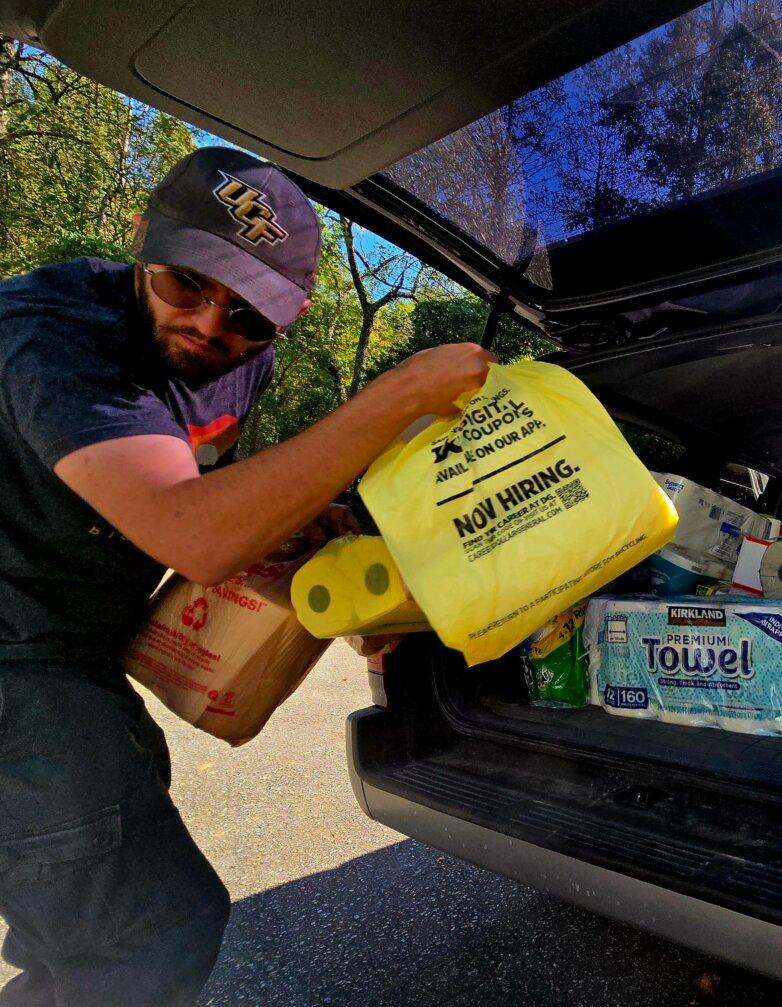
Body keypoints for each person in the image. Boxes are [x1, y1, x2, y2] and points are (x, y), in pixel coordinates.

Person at [0, 146, 493, 1005]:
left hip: (71, 653)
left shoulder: (238, 355)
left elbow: (205, 485)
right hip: (13, 653)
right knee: (146, 934)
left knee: (87, 913)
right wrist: (400, 395)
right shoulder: (53, 336)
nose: (209, 324)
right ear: (138, 242)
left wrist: (299, 522)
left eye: (251, 314)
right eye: (186, 282)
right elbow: (190, 529)